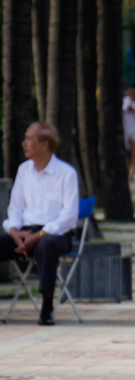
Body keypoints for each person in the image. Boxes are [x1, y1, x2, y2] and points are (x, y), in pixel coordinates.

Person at [0, 122, 80, 326]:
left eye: (29, 139)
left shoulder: (66, 173)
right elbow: (15, 208)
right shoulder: (24, 170)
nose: (24, 143)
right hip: (25, 232)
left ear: (43, 145)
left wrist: (41, 234)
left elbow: (69, 216)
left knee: (46, 246)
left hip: (56, 234)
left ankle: (46, 306)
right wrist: (15, 231)